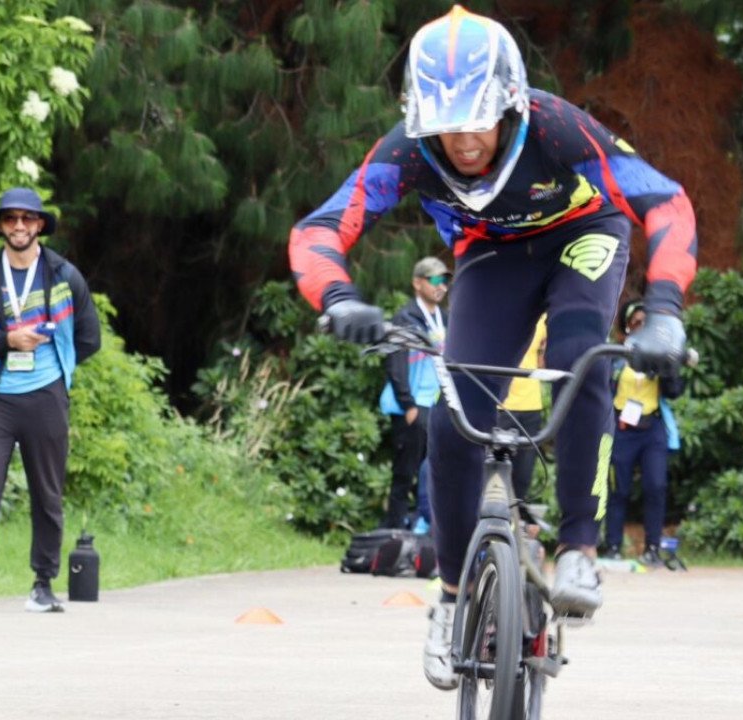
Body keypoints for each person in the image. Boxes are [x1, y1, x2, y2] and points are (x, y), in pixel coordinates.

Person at [287, 6, 695, 691]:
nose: (464, 140)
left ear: (509, 102)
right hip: (490, 257)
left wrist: (664, 312)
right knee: (453, 420)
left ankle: (578, 550)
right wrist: (339, 299)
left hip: (583, 234)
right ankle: (450, 601)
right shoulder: (408, 151)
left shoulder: (558, 125)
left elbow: (667, 203)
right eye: (444, 125)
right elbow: (323, 226)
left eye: (477, 118)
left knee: (578, 358)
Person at [0, 187, 102, 614]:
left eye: (27, 219)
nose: (19, 226)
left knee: (47, 493)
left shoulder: (65, 276)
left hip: (46, 396)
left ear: (39, 225)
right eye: (10, 219)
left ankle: (42, 585)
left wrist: (56, 367)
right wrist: (7, 342)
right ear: (1, 226)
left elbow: (90, 338)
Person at [603, 300, 684, 565]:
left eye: (645, 323)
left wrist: (667, 363)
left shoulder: (658, 354)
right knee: (618, 489)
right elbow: (602, 389)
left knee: (656, 486)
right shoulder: (616, 355)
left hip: (652, 429)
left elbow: (674, 391)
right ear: (627, 327)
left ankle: (652, 548)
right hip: (623, 428)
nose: (640, 327)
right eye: (635, 323)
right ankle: (613, 546)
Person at [378, 256, 450, 529]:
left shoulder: (445, 318)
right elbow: (395, 363)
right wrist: (408, 404)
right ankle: (394, 532)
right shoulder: (405, 317)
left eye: (444, 280)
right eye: (434, 280)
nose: (441, 286)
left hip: (437, 406)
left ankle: (425, 533)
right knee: (404, 473)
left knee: (431, 473)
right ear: (417, 283)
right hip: (411, 407)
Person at [497, 314, 547, 503]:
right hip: (499, 405)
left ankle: (513, 524)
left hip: (531, 406)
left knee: (522, 478)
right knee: (494, 475)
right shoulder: (498, 307)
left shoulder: (543, 318)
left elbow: (544, 360)